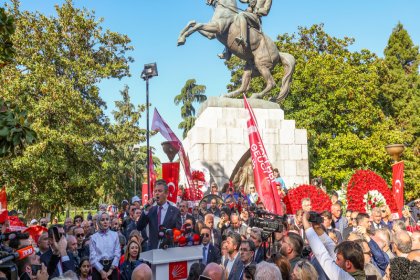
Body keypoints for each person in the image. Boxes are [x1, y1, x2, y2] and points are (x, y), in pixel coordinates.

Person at [303, 212, 366, 280]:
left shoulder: (346, 278)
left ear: (348, 264)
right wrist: (317, 228)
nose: (335, 261)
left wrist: (306, 223)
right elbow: (330, 247)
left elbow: (322, 255)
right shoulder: (359, 275)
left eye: (338, 259)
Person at [137, 179, 182, 250]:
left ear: (166, 193)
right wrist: (145, 210)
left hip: (168, 250)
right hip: (152, 250)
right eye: (155, 191)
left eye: (160, 191)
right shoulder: (150, 210)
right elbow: (139, 227)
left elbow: (178, 232)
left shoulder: (175, 211)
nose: (157, 193)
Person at [89, 211, 120, 280]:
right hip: (98, 269)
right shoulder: (93, 237)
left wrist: (110, 271)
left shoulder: (115, 235)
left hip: (112, 267)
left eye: (107, 219)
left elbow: (117, 253)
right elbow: (92, 257)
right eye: (102, 220)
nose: (105, 222)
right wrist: (101, 271)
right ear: (98, 222)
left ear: (109, 221)